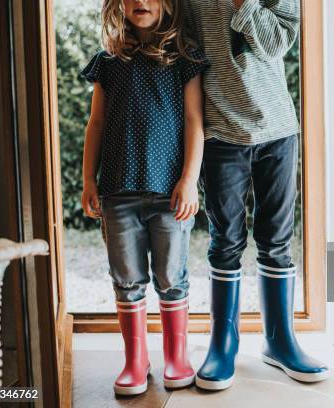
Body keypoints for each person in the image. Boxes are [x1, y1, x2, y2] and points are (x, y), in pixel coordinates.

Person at [184, 0, 330, 390]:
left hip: (278, 131)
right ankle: (223, 343)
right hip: (220, 132)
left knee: (277, 240)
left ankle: (279, 341)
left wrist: (243, 3)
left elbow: (277, 42)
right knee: (225, 240)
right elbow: (183, 50)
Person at [80, 0, 207, 395]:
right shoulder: (108, 61)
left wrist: (189, 180)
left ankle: (176, 356)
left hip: (169, 193)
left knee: (171, 278)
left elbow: (193, 122)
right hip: (117, 192)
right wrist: (88, 180)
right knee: (128, 280)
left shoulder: (184, 59)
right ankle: (135, 362)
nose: (141, 2)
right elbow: (96, 123)